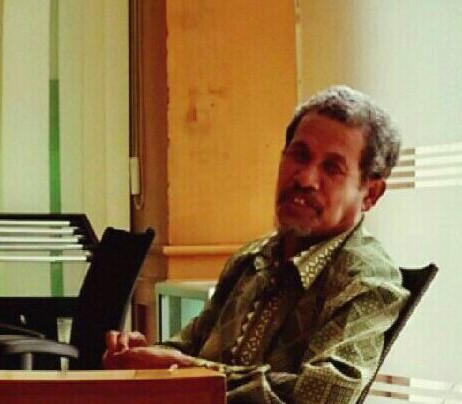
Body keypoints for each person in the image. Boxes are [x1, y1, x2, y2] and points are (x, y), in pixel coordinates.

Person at [103, 85, 409, 404]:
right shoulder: (251, 258)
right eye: (299, 155)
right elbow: (191, 345)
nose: (305, 179)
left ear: (371, 194)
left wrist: (187, 370)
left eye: (332, 168)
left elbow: (324, 396)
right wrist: (140, 356)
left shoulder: (368, 282)